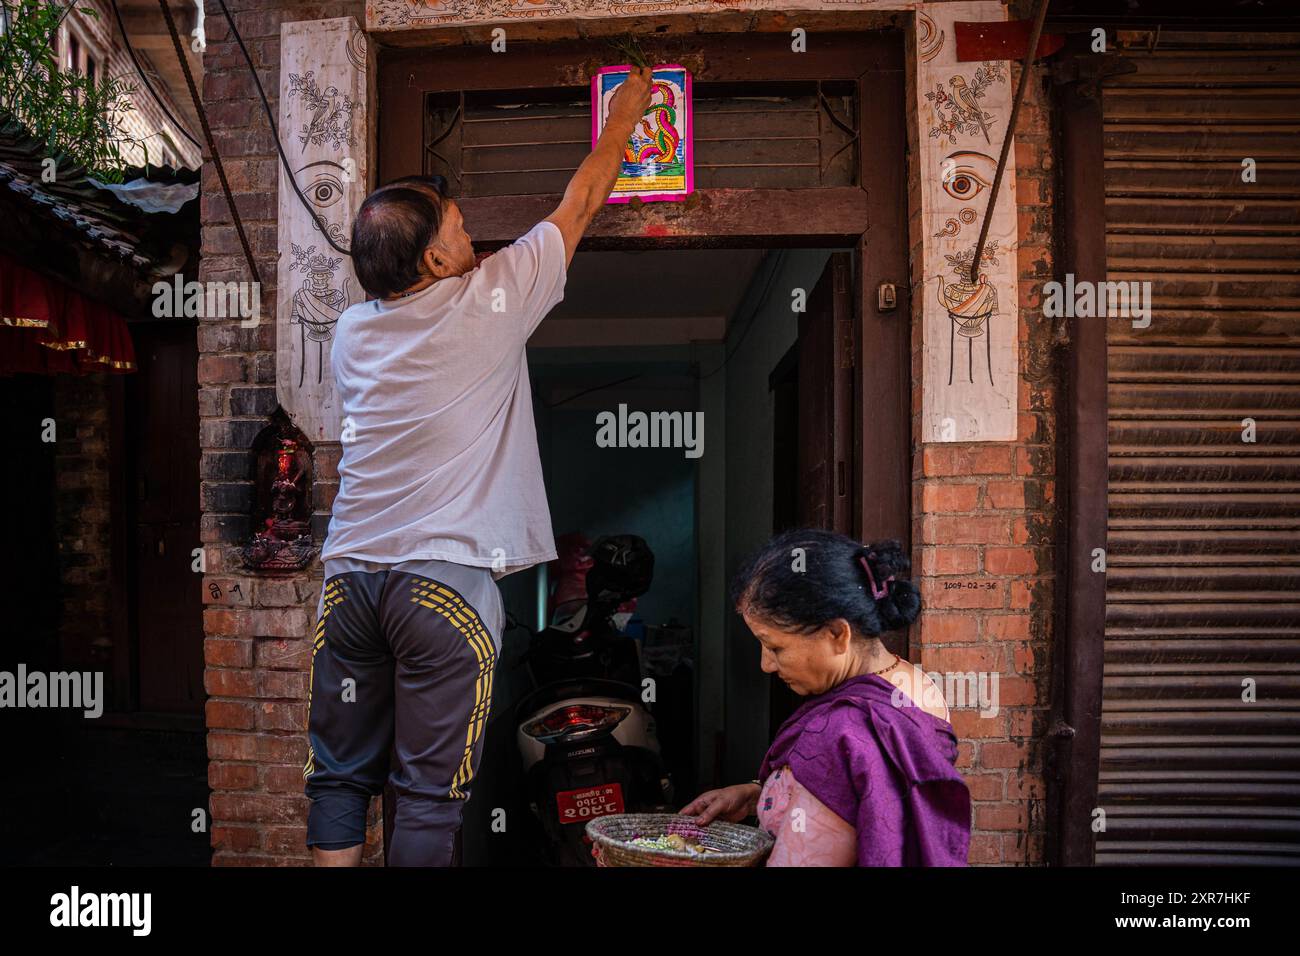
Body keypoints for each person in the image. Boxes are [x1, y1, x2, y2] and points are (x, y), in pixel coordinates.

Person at [303, 66, 655, 867]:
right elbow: (582, 202)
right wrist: (627, 113)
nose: (475, 240)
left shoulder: (354, 332)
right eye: (459, 230)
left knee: (339, 776)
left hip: (350, 585)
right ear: (431, 261)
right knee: (426, 794)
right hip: (440, 588)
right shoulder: (490, 301)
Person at [680, 529, 972, 866]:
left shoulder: (843, 729)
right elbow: (856, 800)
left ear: (837, 633)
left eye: (775, 646)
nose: (766, 664)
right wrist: (756, 795)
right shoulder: (915, 685)